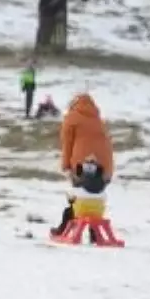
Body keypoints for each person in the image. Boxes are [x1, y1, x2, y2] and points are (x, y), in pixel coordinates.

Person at [51, 93, 114, 238]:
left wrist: (66, 166)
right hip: (103, 168)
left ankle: (64, 229)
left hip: (80, 164)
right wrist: (108, 172)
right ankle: (94, 233)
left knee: (77, 199)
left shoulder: (72, 118)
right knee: (93, 195)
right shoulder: (98, 120)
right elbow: (108, 146)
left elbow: (67, 144)